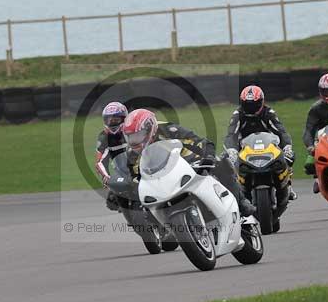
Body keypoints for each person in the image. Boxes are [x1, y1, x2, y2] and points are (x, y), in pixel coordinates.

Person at [122, 108, 256, 217]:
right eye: (131, 137)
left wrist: (208, 157)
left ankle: (240, 201)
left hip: (188, 163)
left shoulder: (169, 130)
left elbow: (200, 141)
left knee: (222, 162)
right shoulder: (131, 152)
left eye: (138, 135)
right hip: (160, 177)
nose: (135, 141)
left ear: (150, 127)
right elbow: (135, 176)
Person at [224, 85, 297, 200]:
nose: (251, 108)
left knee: (287, 157)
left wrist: (287, 147)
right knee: (228, 164)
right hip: (245, 149)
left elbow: (281, 132)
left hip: (268, 148)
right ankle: (236, 192)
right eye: (248, 105)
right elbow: (231, 135)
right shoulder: (237, 115)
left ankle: (287, 184)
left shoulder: (268, 113)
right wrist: (232, 151)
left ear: (261, 102)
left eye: (254, 104)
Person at [95, 102, 129, 186]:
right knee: (113, 196)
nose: (112, 122)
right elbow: (100, 162)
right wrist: (106, 177)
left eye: (116, 120)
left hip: (144, 171)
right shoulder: (104, 137)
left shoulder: (134, 130)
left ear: (124, 118)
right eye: (109, 120)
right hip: (123, 175)